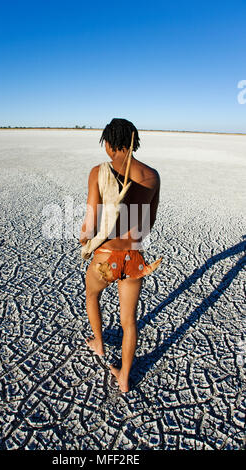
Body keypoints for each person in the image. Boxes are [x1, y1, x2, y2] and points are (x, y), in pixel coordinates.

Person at [79, 118, 161, 393]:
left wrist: (84, 237)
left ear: (110, 144)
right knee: (129, 321)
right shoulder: (152, 176)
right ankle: (124, 376)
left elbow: (91, 223)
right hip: (135, 259)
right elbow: (148, 223)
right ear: (133, 142)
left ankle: (99, 343)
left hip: (105, 258)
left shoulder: (98, 172)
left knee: (92, 295)